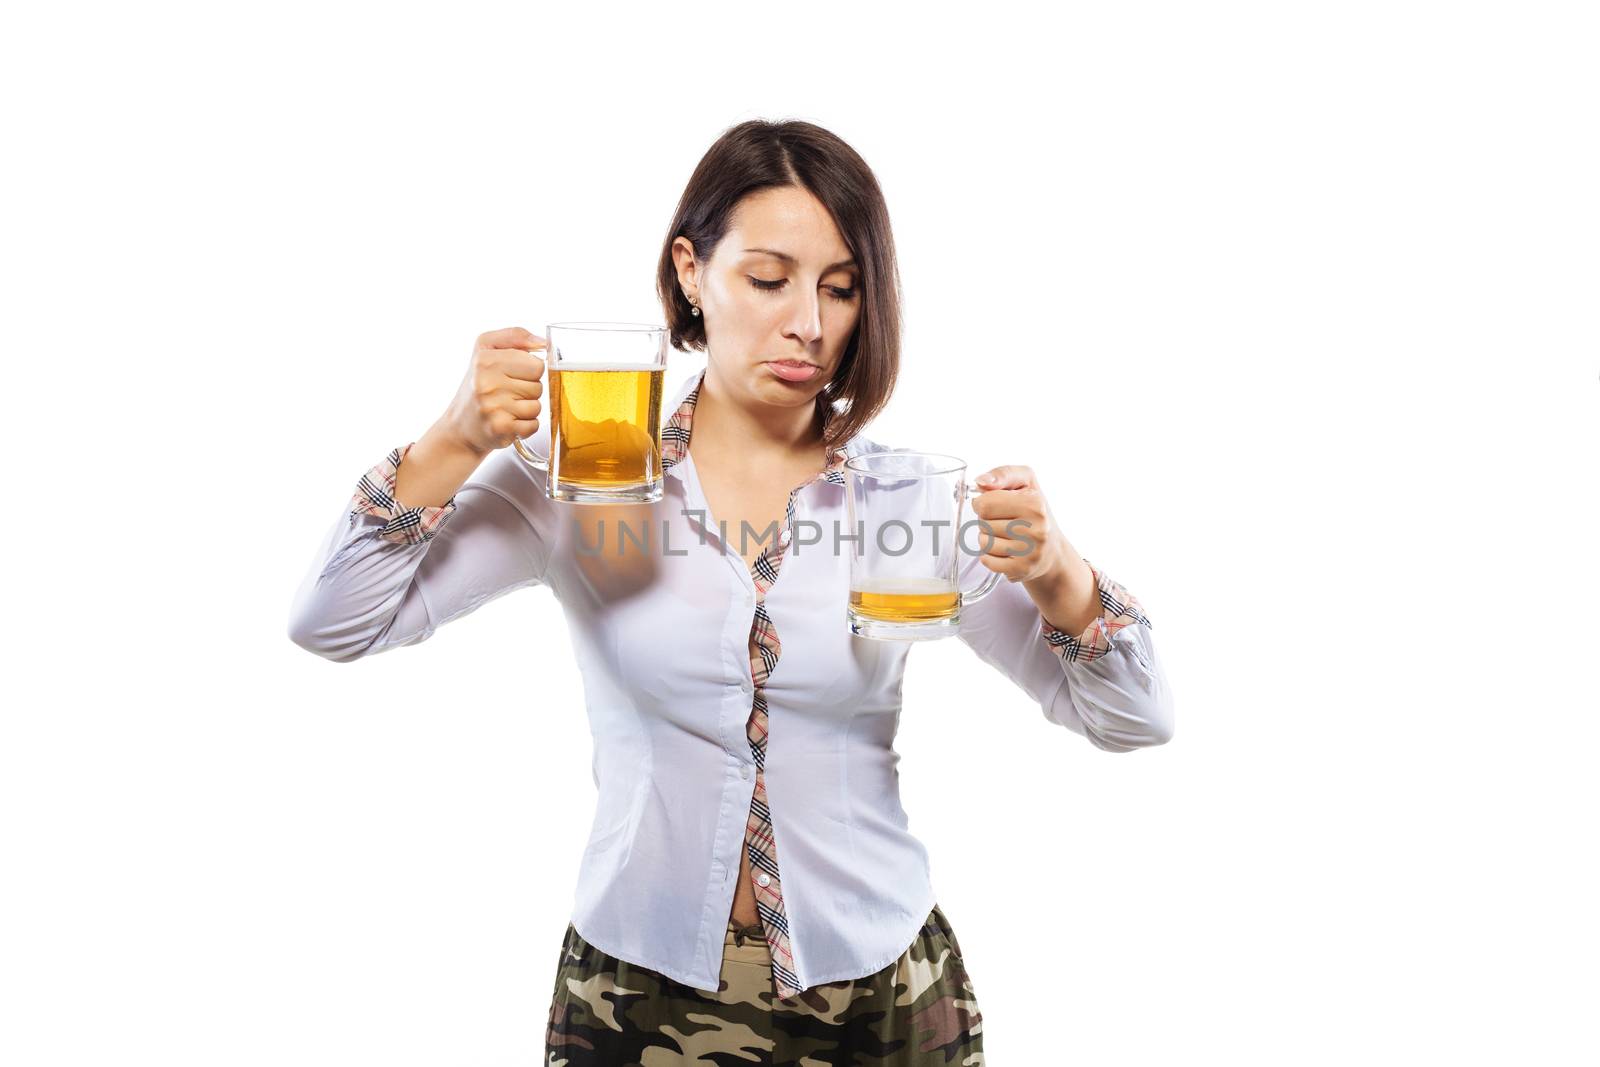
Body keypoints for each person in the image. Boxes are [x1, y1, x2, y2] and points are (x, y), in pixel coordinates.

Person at [288, 119, 1174, 1066]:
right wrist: (455, 440)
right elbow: (336, 619)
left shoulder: (905, 503)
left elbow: (1135, 717)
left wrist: (1057, 573)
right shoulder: (589, 478)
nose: (811, 322)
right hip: (635, 998)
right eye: (769, 278)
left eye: (841, 287)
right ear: (689, 272)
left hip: (879, 999)